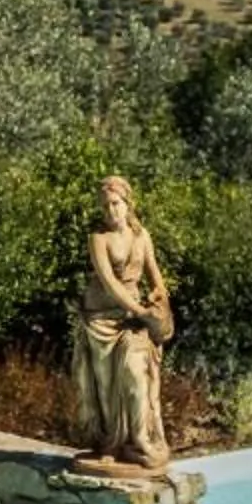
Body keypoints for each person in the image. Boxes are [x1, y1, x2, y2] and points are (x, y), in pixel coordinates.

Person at [72, 174, 173, 469]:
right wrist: (140, 311)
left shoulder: (142, 236)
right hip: (101, 319)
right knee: (105, 384)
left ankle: (140, 439)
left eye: (116, 203)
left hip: (132, 320)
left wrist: (158, 297)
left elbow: (156, 276)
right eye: (105, 206)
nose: (111, 211)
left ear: (128, 203)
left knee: (134, 372)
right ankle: (111, 443)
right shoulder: (98, 239)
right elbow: (111, 283)